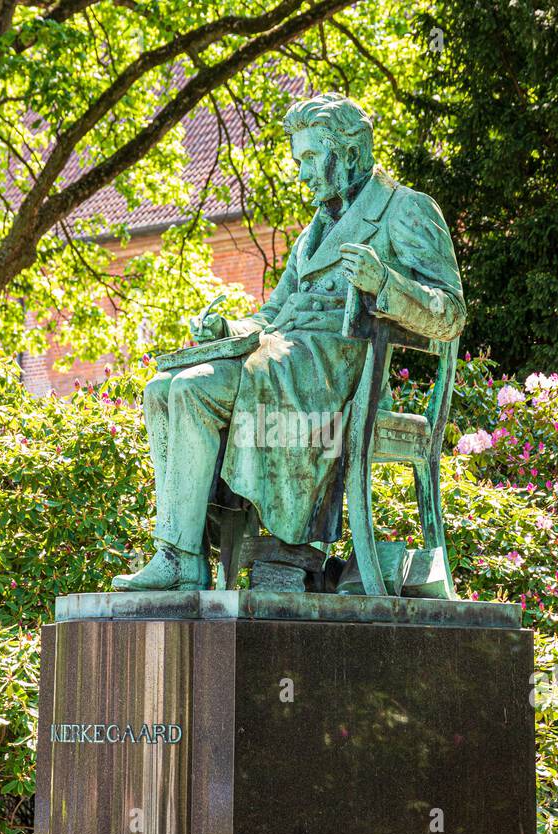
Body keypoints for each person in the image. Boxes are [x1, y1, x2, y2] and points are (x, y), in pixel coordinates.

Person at [112, 92, 465, 591]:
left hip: (341, 376)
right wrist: (227, 330)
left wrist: (385, 282)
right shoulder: (312, 233)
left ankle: (273, 553)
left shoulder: (405, 210)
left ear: (346, 151)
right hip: (282, 361)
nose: (300, 174)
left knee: (192, 390)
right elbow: (272, 313)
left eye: (308, 158)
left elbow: (449, 313)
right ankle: (180, 557)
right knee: (163, 389)